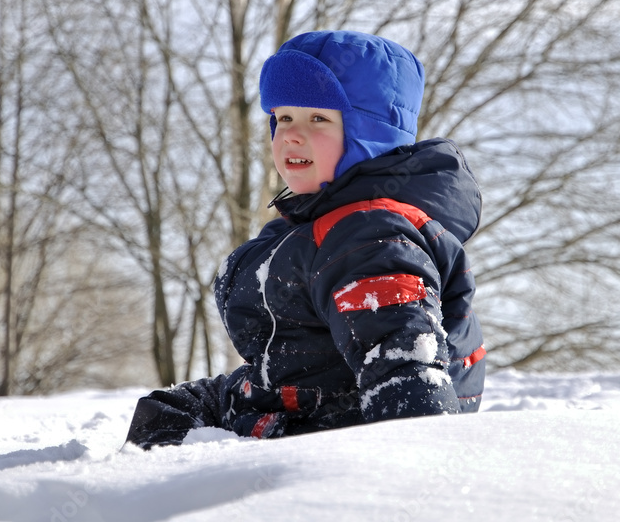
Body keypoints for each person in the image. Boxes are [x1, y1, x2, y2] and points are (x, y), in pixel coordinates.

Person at [126, 30, 485, 449]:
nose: (291, 135)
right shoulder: (317, 222)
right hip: (302, 393)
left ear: (370, 134)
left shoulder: (372, 238)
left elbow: (407, 375)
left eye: (318, 119)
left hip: (330, 429)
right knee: (170, 408)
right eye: (282, 117)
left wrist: (405, 483)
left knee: (168, 423)